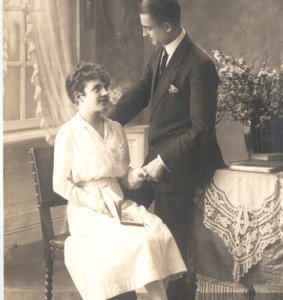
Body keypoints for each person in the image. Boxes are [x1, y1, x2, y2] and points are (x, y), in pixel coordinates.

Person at [108, 0, 225, 299]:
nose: (144, 33)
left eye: (147, 28)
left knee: (175, 254)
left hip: (183, 167)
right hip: (157, 161)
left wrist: (163, 161)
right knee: (117, 218)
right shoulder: (160, 53)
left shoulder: (200, 65)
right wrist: (105, 123)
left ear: (168, 26)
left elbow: (201, 130)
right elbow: (138, 94)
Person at [53, 62, 187, 300]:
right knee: (137, 241)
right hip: (88, 212)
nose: (105, 93)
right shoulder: (69, 133)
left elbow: (123, 176)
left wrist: (135, 175)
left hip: (118, 204)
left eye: (105, 87)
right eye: (97, 88)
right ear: (79, 96)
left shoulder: (115, 128)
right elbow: (60, 184)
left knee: (157, 232)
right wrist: (96, 204)